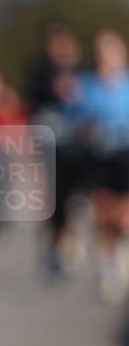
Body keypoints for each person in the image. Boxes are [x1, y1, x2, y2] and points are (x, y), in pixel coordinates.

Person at [73, 31, 129, 302]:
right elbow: (78, 120)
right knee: (102, 209)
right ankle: (107, 259)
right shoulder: (87, 85)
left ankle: (119, 249)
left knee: (123, 210)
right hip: (97, 154)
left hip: (124, 153)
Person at [28, 23, 86, 278]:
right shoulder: (40, 72)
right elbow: (29, 104)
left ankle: (70, 236)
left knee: (76, 195)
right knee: (54, 197)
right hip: (49, 143)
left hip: (77, 144)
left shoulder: (82, 72)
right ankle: (57, 245)